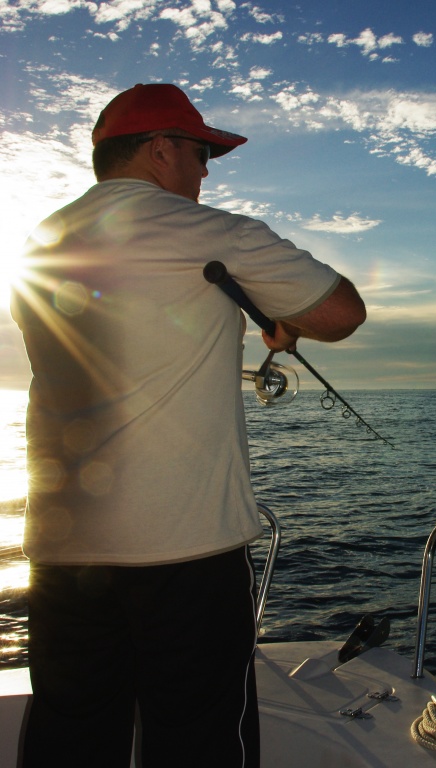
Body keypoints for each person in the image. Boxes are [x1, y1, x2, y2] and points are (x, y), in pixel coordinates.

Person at [11, 83, 366, 768]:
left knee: (72, 736)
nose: (206, 170)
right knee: (198, 739)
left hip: (63, 552)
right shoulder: (211, 233)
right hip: (185, 555)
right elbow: (341, 313)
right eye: (202, 153)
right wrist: (283, 319)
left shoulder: (40, 239)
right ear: (162, 148)